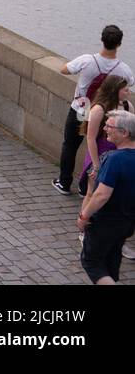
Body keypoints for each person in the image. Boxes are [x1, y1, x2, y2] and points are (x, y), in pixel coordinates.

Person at [56, 25, 133, 195]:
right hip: (106, 112)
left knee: (70, 145)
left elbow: (63, 69)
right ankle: (87, 186)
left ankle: (64, 182)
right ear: (119, 44)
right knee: (98, 147)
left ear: (102, 40)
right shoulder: (124, 69)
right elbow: (130, 83)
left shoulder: (87, 60)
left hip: (83, 107)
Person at [76, 109, 135, 284]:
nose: (105, 129)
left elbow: (102, 195)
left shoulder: (114, 159)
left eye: (109, 126)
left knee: (92, 262)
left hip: (106, 222)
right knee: (112, 259)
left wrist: (84, 215)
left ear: (124, 133)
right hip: (127, 222)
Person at [80, 75, 132, 196]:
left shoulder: (127, 106)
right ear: (115, 90)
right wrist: (96, 165)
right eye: (125, 90)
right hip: (100, 152)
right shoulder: (98, 109)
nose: (128, 92)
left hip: (119, 151)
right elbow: (90, 138)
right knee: (92, 192)